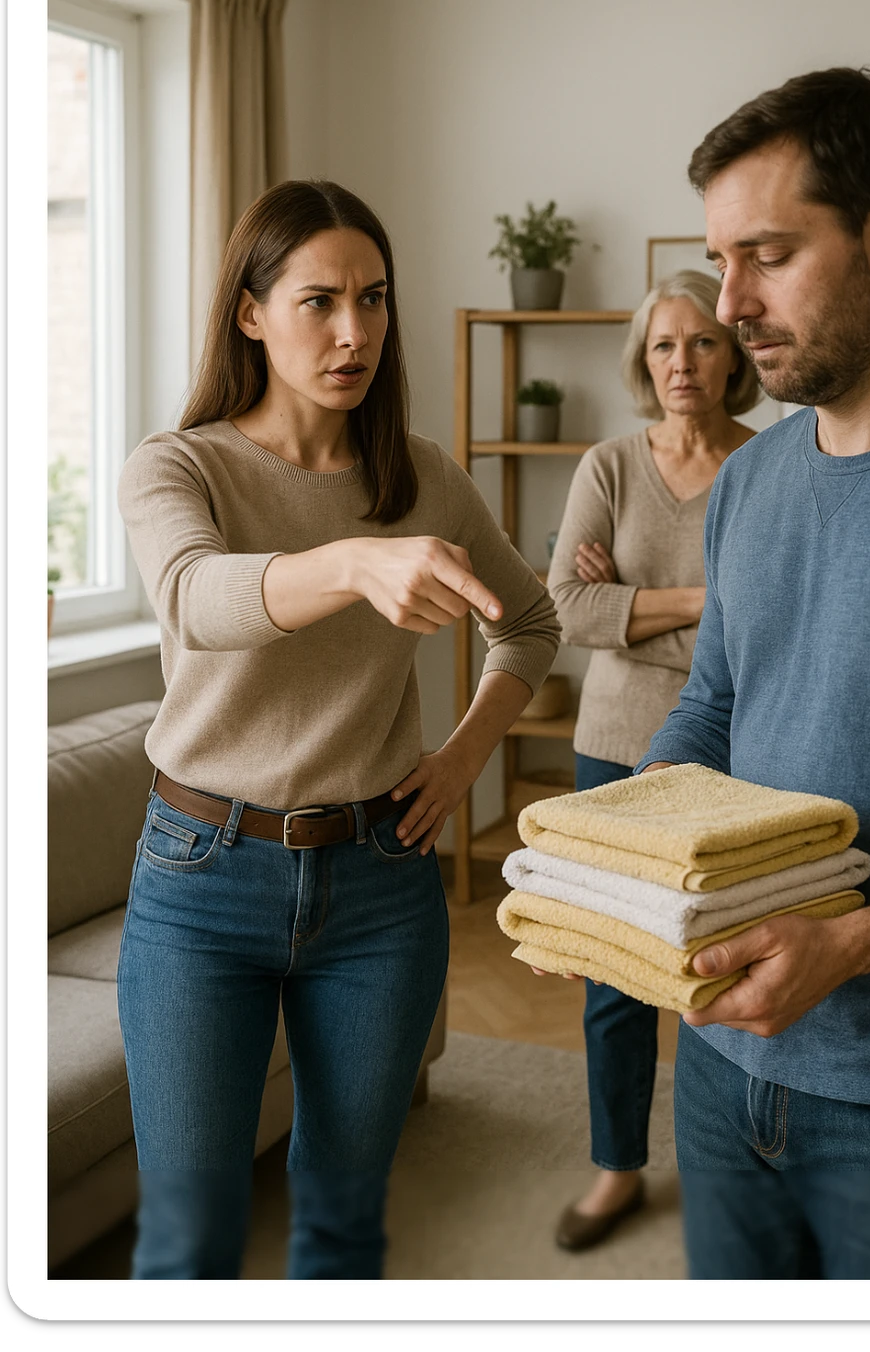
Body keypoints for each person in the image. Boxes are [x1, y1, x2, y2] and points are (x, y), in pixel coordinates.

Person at [115, 178, 561, 1280]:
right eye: (318, 301)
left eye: (374, 298)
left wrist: (462, 758)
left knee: (345, 1218)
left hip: (378, 880)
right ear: (251, 314)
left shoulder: (423, 480)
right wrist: (357, 561)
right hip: (199, 878)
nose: (353, 331)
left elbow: (534, 625)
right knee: (186, 1238)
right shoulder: (181, 465)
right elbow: (196, 601)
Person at [633, 67, 870, 1279]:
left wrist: (851, 943)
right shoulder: (751, 483)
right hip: (722, 1067)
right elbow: (717, 704)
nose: (729, 305)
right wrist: (609, 852)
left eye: (766, 256)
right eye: (720, 261)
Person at [542, 269, 761, 1249]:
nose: (682, 362)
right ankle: (615, 1169)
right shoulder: (608, 466)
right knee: (615, 976)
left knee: (727, 961)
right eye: (664, 345)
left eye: (702, 342)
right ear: (644, 359)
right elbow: (566, 609)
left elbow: (772, 628)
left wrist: (632, 605)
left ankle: (734, 1162)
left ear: (734, 355)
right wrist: (702, 602)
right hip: (614, 748)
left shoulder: (775, 464)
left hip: (738, 748)